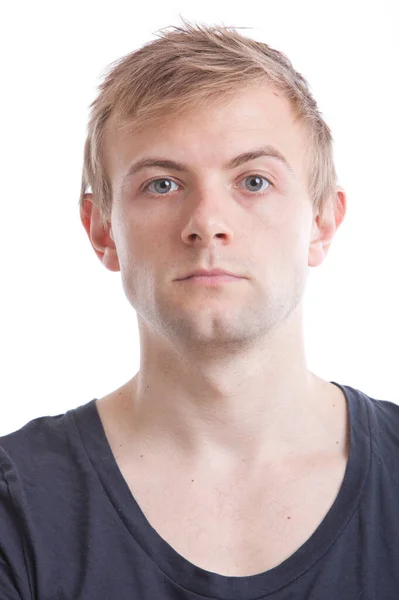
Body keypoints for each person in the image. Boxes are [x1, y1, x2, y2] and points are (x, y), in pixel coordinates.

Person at [1, 19, 398, 600]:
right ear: (101, 230)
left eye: (254, 180)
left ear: (322, 221)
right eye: (162, 184)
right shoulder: (17, 507)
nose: (207, 222)